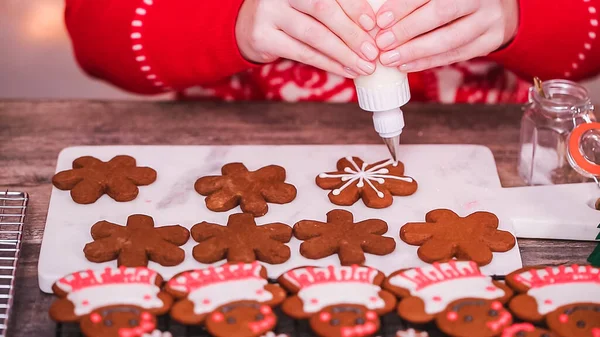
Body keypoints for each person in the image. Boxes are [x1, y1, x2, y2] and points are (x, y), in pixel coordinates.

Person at [64, 0, 600, 103]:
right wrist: (233, 24)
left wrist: (519, 17)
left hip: (492, 155)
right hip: (241, 143)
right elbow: (96, 34)